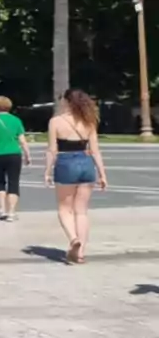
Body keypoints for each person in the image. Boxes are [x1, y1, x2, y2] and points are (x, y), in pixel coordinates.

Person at [44, 89, 107, 264]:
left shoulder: (56, 122)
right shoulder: (89, 122)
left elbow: (52, 150)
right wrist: (102, 174)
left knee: (65, 208)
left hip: (65, 163)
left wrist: (47, 171)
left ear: (67, 102)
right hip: (86, 163)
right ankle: (81, 252)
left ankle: (73, 239)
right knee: (82, 211)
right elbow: (95, 150)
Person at [0, 96, 30, 221]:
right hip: (13, 154)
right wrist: (27, 154)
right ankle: (11, 212)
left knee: (0, 182)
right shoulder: (16, 120)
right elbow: (22, 140)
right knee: (13, 182)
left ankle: (2, 210)